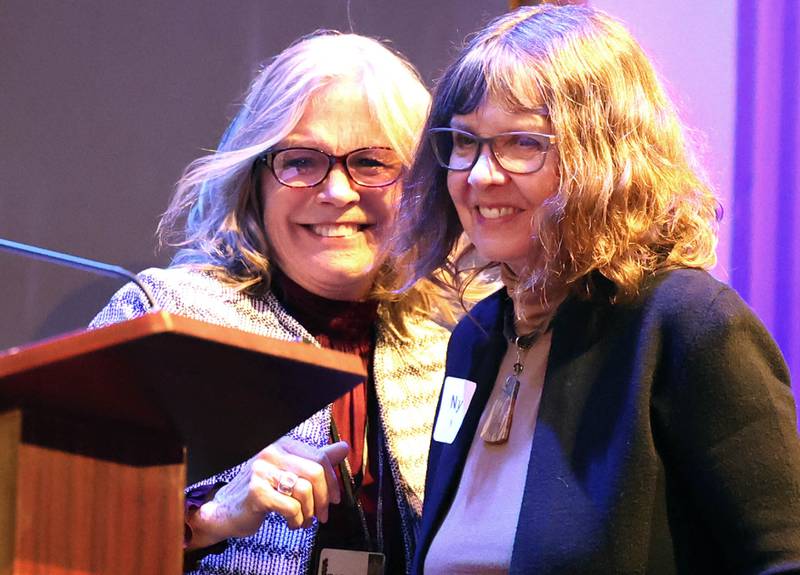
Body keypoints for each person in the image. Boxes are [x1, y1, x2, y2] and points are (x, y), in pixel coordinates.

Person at [396, 5, 800, 574]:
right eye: (464, 142)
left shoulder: (688, 323)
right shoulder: (476, 337)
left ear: (605, 156)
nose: (481, 174)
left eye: (521, 143)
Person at [90, 31, 452, 575]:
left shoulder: (450, 350)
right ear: (254, 180)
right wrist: (208, 518)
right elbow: (48, 520)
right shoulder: (163, 321)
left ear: (417, 186)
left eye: (373, 162)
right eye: (302, 160)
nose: (337, 192)